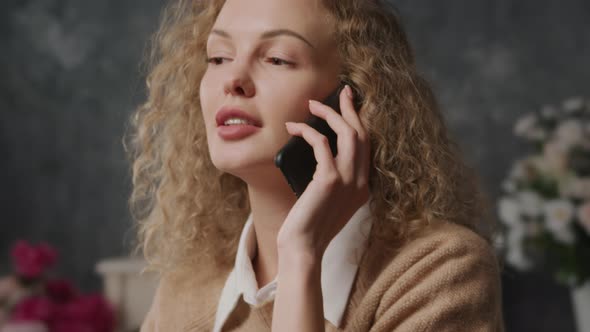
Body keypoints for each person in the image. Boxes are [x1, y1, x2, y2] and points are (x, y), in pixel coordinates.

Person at [129, 0, 504, 330]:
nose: (234, 81)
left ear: (354, 98)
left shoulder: (440, 271)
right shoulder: (187, 287)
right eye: (218, 58)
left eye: (277, 59)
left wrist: (301, 256)